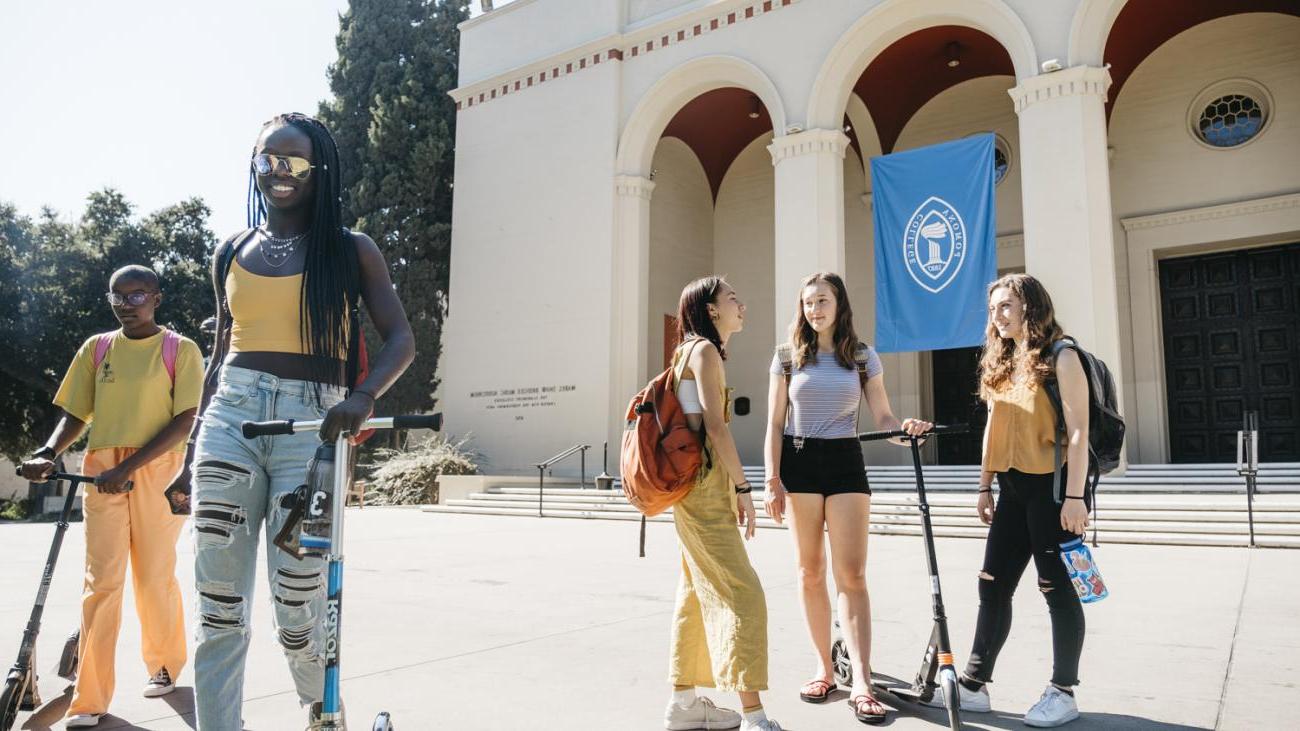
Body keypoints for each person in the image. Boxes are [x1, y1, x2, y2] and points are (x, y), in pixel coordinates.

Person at [173, 113, 416, 731]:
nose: (279, 173)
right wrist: (190, 446)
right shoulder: (231, 249)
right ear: (254, 166)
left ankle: (322, 712)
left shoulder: (352, 249)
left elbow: (400, 341)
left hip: (315, 424)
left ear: (319, 170)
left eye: (295, 162)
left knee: (297, 606)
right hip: (231, 414)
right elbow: (223, 351)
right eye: (268, 160)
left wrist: (361, 398)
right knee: (219, 606)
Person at [21, 265, 204, 728]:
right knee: (101, 582)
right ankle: (89, 696)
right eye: (118, 296)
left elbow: (186, 420)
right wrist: (47, 451)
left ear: (156, 298)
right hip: (103, 468)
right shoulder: (97, 348)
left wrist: (129, 467)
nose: (127, 304)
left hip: (159, 468)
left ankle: (164, 664)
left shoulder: (179, 350)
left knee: (152, 574)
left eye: (136, 294)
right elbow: (76, 414)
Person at [761, 272, 931, 725]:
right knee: (809, 571)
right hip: (798, 462)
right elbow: (775, 423)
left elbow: (883, 415)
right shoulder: (785, 357)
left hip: (844, 460)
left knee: (851, 574)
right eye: (808, 303)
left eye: (822, 300)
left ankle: (861, 680)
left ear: (839, 305)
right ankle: (823, 667)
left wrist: (905, 430)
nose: (814, 309)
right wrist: (771, 479)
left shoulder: (860, 356)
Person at [945, 273, 1091, 728]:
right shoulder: (1003, 360)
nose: (997, 315)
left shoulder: (1061, 356)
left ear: (1030, 305)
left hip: (1052, 489)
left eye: (1006, 306)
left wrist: (1075, 497)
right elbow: (995, 427)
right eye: (992, 309)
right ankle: (974, 684)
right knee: (992, 584)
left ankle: (1063, 692)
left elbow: (1080, 431)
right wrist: (984, 484)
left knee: (1057, 589)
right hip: (1011, 488)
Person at [663, 276, 782, 731]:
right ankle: (753, 715)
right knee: (741, 591)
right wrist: (743, 487)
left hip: (689, 486)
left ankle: (683, 703)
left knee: (694, 592)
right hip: (706, 485)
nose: (742, 304)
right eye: (733, 298)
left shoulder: (684, 352)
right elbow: (715, 427)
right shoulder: (706, 352)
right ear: (711, 310)